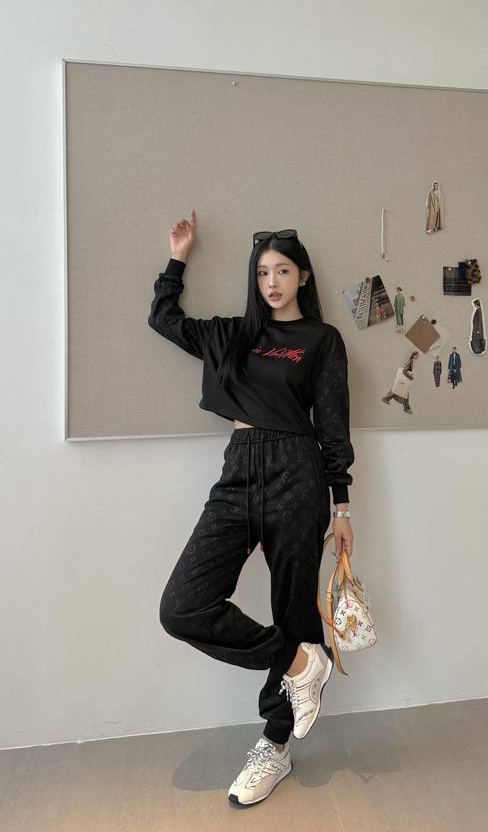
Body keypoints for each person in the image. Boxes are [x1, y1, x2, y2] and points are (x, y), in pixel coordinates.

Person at [148, 210, 355, 808]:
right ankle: (299, 663)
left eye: (283, 271)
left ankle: (275, 746)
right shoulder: (232, 334)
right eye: (262, 272)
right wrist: (178, 258)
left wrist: (342, 507)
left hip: (298, 474)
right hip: (239, 472)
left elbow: (333, 427)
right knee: (182, 606)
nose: (272, 282)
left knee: (294, 607)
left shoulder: (321, 340)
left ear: (302, 276)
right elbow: (163, 318)